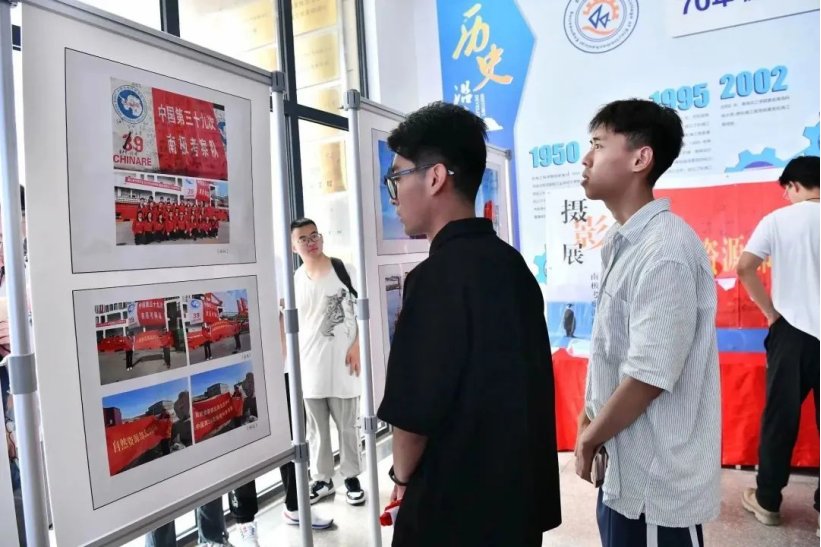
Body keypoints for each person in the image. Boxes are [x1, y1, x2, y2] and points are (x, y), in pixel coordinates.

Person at [376, 102, 561, 547]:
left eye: (397, 178)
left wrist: (400, 478)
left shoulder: (434, 278)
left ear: (435, 177)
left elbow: (412, 419)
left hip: (453, 511)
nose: (394, 196)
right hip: (516, 507)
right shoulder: (513, 265)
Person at [574, 99, 720, 547]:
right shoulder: (626, 241)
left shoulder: (665, 249)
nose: (586, 158)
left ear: (641, 158)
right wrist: (590, 416)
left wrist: (588, 439)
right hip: (624, 471)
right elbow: (616, 349)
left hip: (654, 484)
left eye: (599, 144)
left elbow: (648, 376)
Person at [736, 155, 820, 538]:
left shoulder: (777, 220)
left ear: (794, 186)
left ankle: (768, 501)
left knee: (780, 419)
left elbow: (744, 266)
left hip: (792, 332)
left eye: (787, 190)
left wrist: (771, 313)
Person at [290, 218, 366, 507]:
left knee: (348, 426)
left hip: (344, 362)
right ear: (294, 246)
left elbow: (361, 311)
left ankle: (351, 477)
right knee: (316, 430)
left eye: (314, 236)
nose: (311, 242)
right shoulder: (295, 279)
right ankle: (322, 480)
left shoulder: (345, 270)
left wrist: (357, 345)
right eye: (303, 239)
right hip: (310, 364)